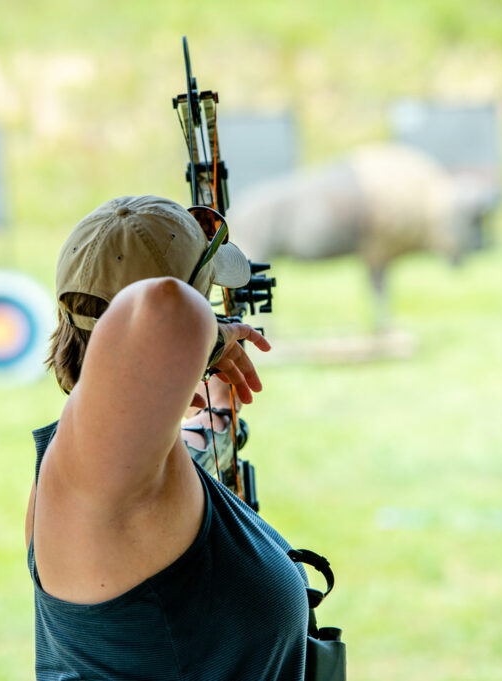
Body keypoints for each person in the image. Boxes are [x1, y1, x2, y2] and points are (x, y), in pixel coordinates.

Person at [25, 195, 310, 680]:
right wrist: (214, 339)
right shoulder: (92, 477)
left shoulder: (116, 470)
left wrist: (204, 405)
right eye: (209, 296)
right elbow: (165, 307)